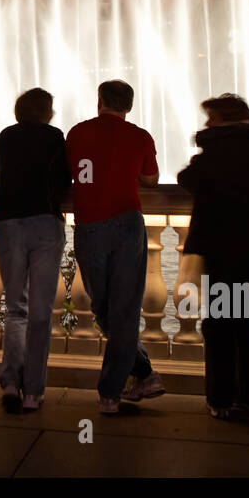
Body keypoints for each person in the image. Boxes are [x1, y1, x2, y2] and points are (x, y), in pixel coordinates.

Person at [65, 79, 164, 415]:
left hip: (90, 225)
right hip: (126, 224)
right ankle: (141, 376)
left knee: (103, 309)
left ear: (99, 101)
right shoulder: (140, 136)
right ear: (128, 106)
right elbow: (151, 179)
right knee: (122, 311)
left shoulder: (77, 133)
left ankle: (117, 387)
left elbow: (71, 175)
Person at [178, 93, 249, 420]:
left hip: (221, 249)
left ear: (224, 120)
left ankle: (221, 398)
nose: (206, 124)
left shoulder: (216, 151)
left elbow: (188, 179)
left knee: (218, 325)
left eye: (211, 118)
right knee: (246, 325)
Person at [0, 87, 71, 413]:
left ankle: (11, 381)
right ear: (45, 112)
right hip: (44, 222)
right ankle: (33, 391)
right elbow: (64, 180)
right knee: (40, 313)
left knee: (16, 308)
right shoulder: (55, 137)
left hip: (9, 221)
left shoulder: (5, 137)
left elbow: (2, 174)